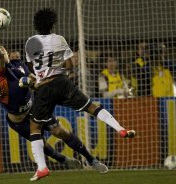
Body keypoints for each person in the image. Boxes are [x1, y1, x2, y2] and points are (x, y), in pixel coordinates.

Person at [24, 8, 136, 181]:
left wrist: (40, 74)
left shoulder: (30, 42)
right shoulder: (59, 39)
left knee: (34, 127)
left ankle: (42, 167)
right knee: (92, 107)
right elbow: (68, 65)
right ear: (52, 24)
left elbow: (32, 66)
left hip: (44, 88)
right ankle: (120, 129)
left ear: (36, 26)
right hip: (62, 83)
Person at [0, 25, 83, 171]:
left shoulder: (17, 64)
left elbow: (34, 79)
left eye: (4, 49)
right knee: (41, 142)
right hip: (17, 115)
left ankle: (86, 157)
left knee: (59, 131)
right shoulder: (0, 68)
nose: (4, 51)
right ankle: (63, 159)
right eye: (1, 50)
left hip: (32, 105)